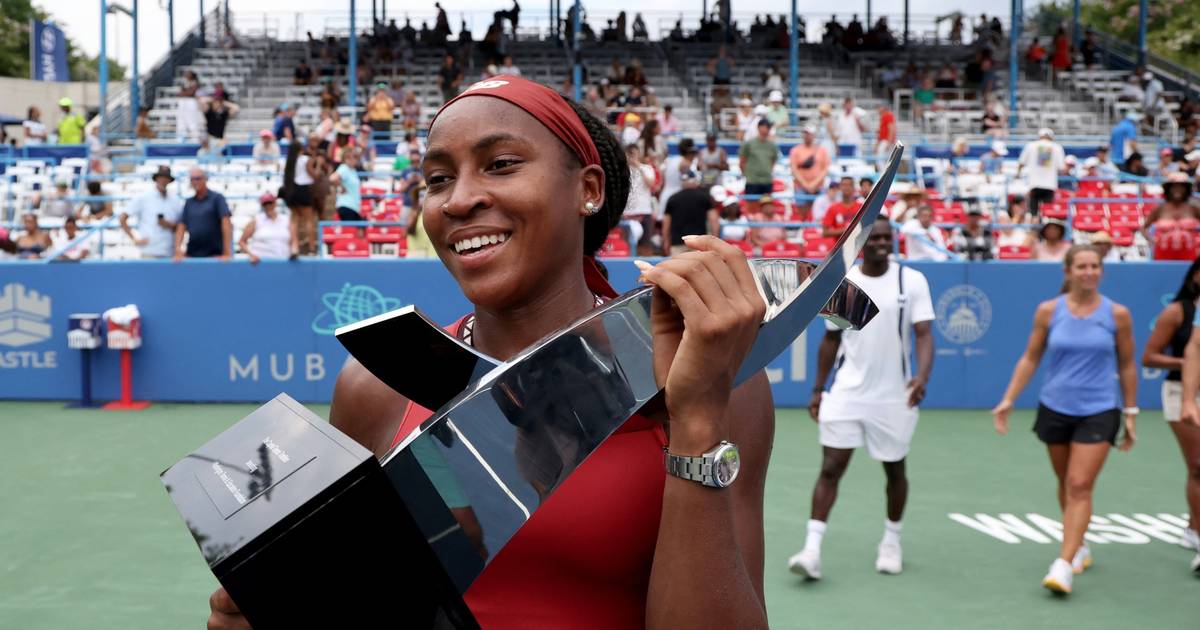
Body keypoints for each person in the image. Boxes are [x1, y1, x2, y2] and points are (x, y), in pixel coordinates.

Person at [206, 75, 775, 629]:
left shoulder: (712, 380)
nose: (459, 200)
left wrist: (697, 421)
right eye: (436, 179)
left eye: (501, 164)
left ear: (589, 189)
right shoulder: (376, 385)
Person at [791, 216, 935, 579]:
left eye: (888, 237)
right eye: (876, 238)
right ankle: (811, 550)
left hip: (894, 396)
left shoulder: (910, 281)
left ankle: (891, 541)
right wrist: (818, 389)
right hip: (847, 392)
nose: (882, 243)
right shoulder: (846, 282)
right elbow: (831, 340)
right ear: (863, 243)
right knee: (830, 467)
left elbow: (924, 335)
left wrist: (921, 376)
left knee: (894, 469)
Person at [992, 245, 1137, 594]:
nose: (1089, 272)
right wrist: (1009, 398)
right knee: (1065, 482)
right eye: (1082, 266)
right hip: (1055, 408)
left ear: (1101, 271)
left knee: (1079, 484)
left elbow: (1127, 364)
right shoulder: (1048, 311)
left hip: (1100, 410)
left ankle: (1063, 564)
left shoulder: (1117, 314)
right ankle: (1079, 544)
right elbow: (1031, 357)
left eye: (1095, 266)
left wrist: (1130, 412)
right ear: (1068, 271)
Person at [120, 166, 183, 259]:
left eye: (166, 178)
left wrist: (169, 225)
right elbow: (123, 218)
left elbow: (180, 226)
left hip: (169, 251)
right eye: (161, 177)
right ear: (156, 179)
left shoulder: (175, 200)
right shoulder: (144, 197)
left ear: (169, 180)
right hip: (149, 251)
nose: (163, 180)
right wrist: (135, 239)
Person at [174, 168, 232, 261]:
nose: (195, 182)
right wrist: (177, 249)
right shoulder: (189, 202)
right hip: (192, 254)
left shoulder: (217, 198)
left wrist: (226, 251)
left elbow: (226, 223)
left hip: (215, 255)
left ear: (205, 179)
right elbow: (182, 226)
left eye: (198, 178)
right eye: (192, 179)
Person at [662, 171, 718, 255]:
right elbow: (714, 221)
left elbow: (666, 224)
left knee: (678, 268)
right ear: (695, 181)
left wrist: (666, 242)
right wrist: (714, 241)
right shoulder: (704, 197)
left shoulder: (673, 199)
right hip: (699, 243)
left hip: (678, 243)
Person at [1018, 128, 1066, 217]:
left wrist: (1017, 174)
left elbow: (1021, 163)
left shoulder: (1031, 145)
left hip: (1034, 183)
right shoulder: (1057, 147)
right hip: (1050, 184)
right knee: (1047, 212)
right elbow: (1062, 168)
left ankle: (1034, 226)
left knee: (1033, 212)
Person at [282, 140, 319, 255]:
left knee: (294, 220)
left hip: (291, 190)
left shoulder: (287, 162)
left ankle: (295, 247)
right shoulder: (305, 160)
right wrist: (318, 165)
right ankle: (312, 247)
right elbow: (314, 175)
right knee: (309, 220)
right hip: (303, 190)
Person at [238, 193, 297, 263]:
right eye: (265, 204)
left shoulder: (286, 220)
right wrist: (251, 255)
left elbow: (294, 240)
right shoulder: (256, 221)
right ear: (262, 206)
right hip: (261, 263)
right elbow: (242, 241)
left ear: (275, 203)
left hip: (283, 261)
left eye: (270, 203)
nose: (268, 206)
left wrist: (294, 252)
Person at [739, 119, 780, 215]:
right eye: (764, 127)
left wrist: (767, 171)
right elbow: (742, 161)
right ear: (759, 128)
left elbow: (773, 161)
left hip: (767, 180)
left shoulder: (772, 146)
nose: (766, 130)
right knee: (751, 207)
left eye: (768, 127)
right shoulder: (749, 144)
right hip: (752, 181)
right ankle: (752, 228)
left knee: (767, 208)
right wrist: (747, 174)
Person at [789, 126, 830, 218]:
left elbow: (825, 169)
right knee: (802, 209)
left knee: (821, 209)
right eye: (805, 133)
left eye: (809, 134)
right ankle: (805, 227)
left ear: (813, 135)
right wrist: (807, 185)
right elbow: (794, 169)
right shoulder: (796, 150)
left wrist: (813, 184)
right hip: (801, 186)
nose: (807, 136)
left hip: (818, 186)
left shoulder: (822, 150)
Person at [331, 147, 363, 221]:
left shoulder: (352, 170)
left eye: (354, 157)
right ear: (344, 159)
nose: (352, 159)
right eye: (348, 157)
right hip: (346, 206)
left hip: (354, 207)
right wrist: (342, 187)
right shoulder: (344, 168)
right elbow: (332, 178)